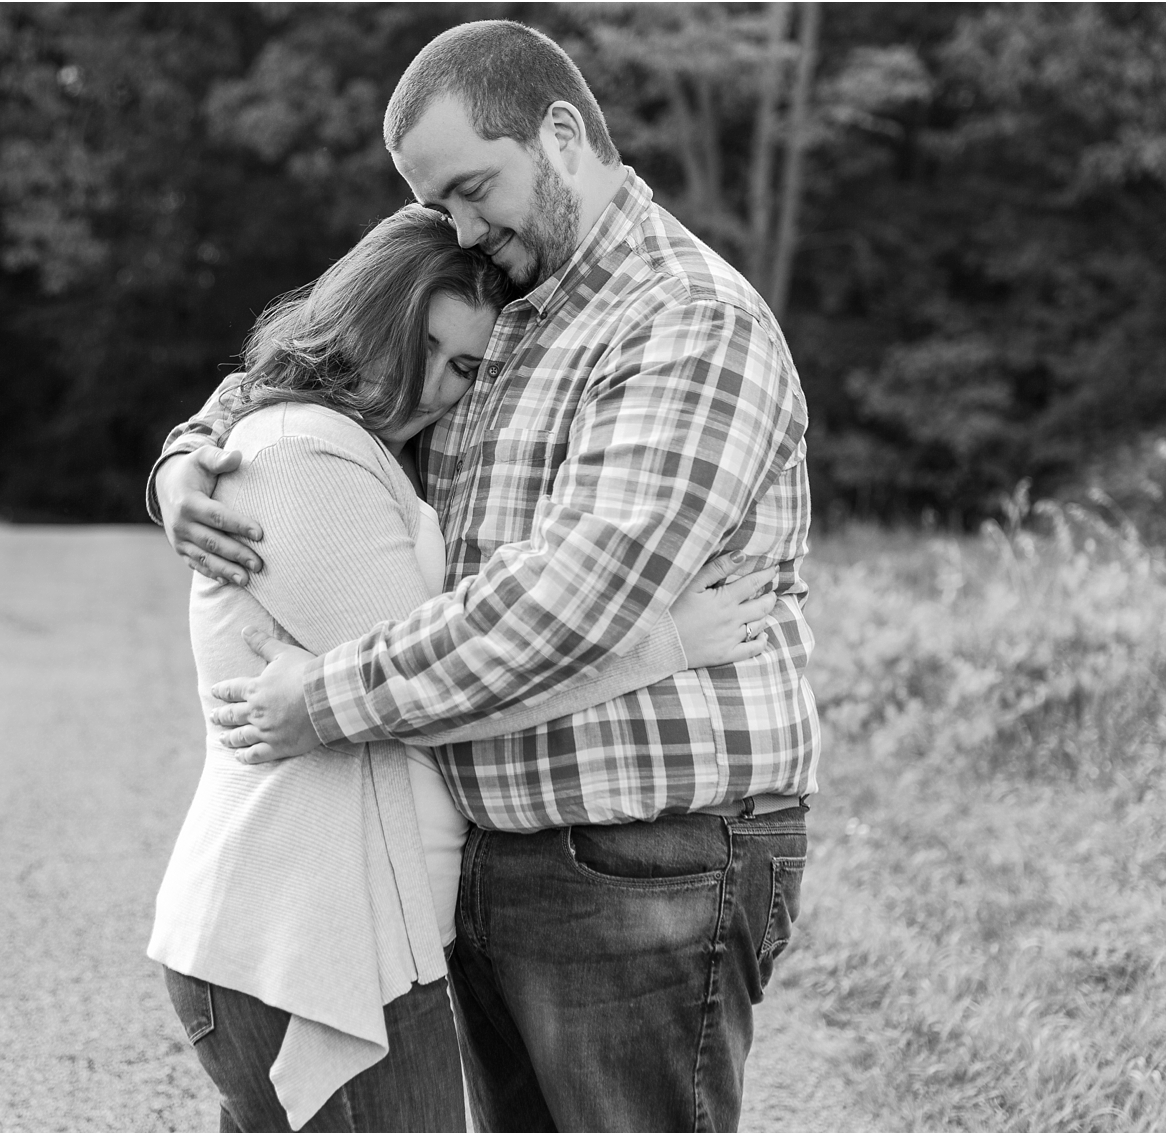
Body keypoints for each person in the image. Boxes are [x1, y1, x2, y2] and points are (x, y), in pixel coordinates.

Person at [151, 20, 819, 1132]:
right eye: (436, 205)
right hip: (492, 858)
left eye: (469, 188)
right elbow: (333, 361)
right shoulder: (504, 283)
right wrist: (187, 452)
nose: (454, 223)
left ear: (559, 134)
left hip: (640, 857)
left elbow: (568, 604)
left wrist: (315, 700)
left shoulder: (683, 322)